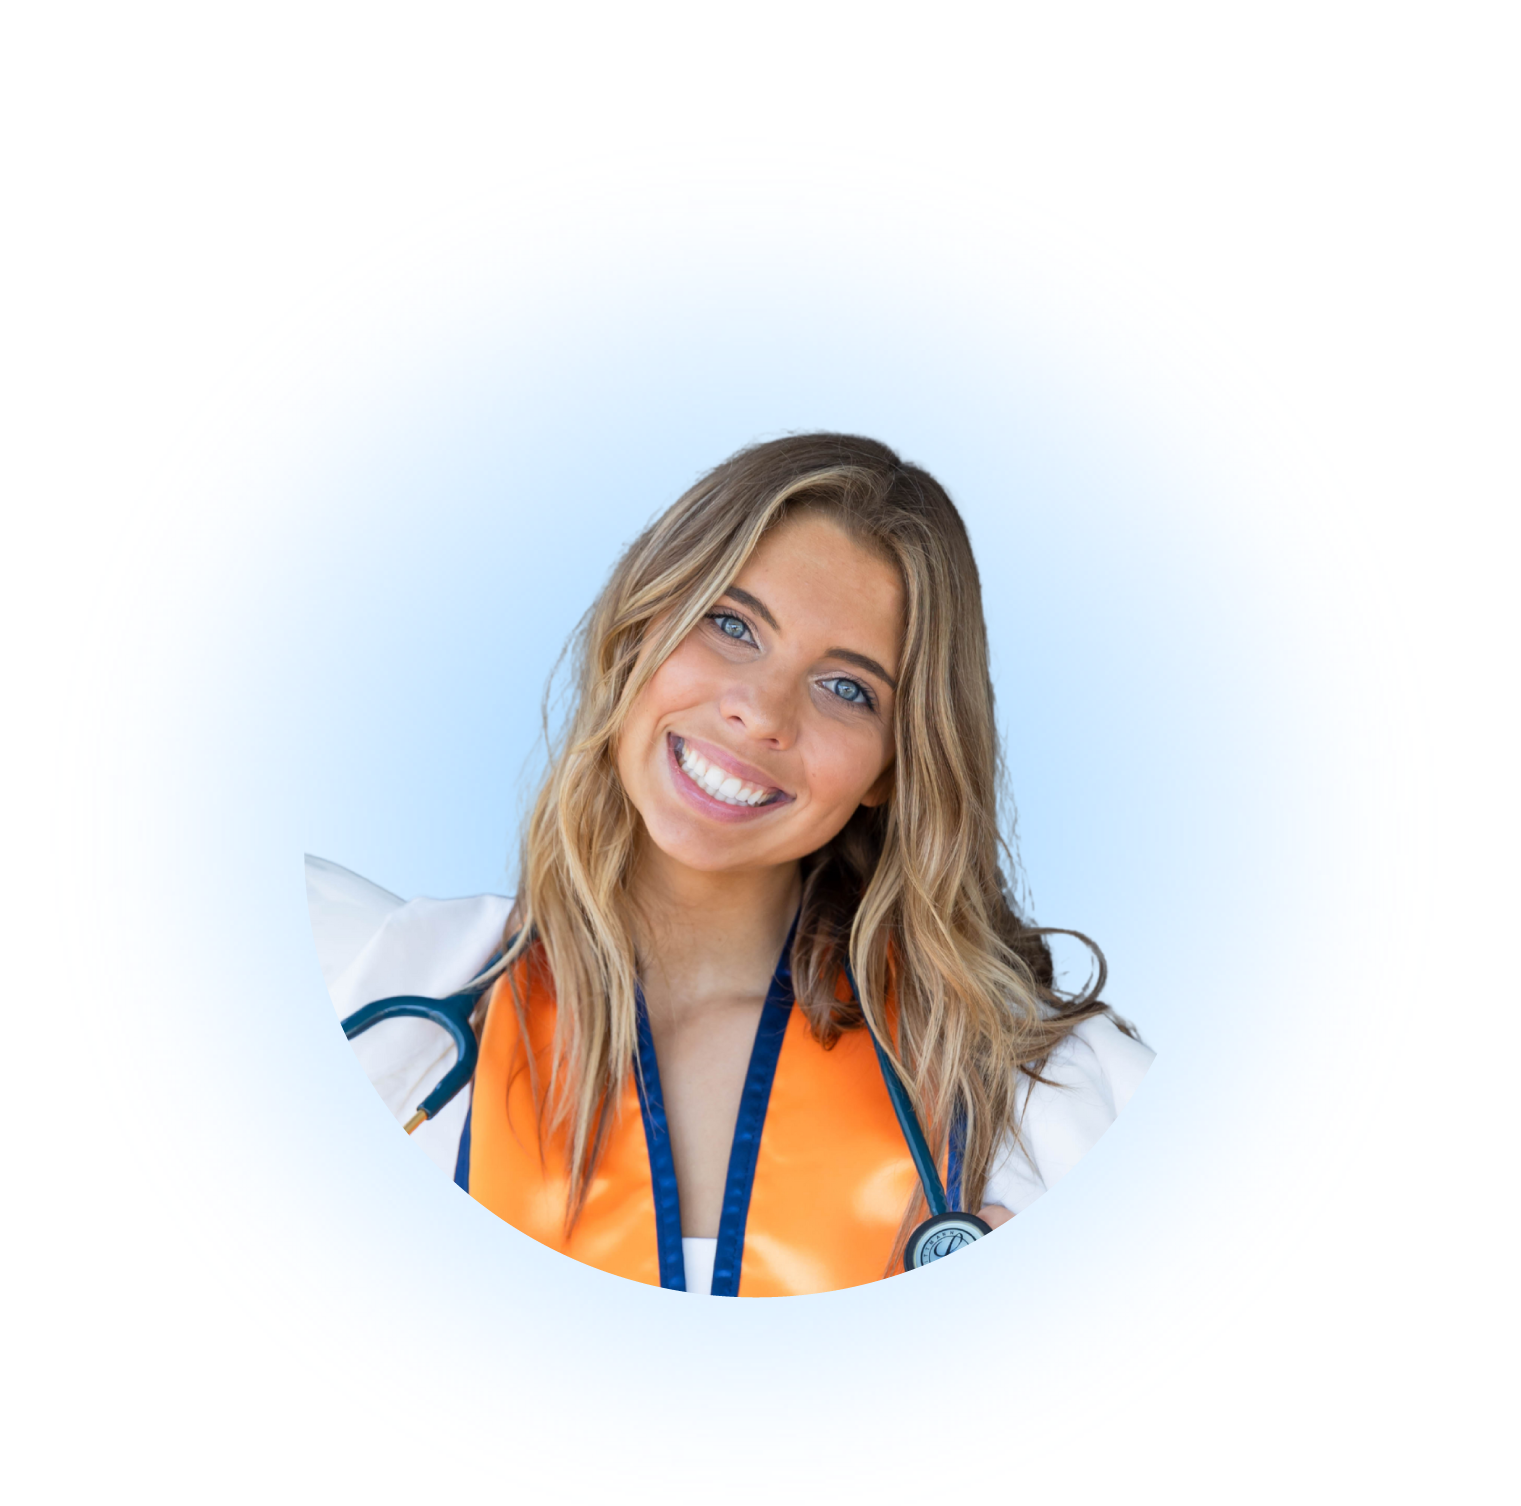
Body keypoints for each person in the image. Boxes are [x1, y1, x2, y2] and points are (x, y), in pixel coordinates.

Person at [307, 432, 1154, 1297]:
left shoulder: (1043, 1101)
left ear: (889, 769)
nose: (761, 711)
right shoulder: (375, 1000)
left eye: (847, 688)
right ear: (642, 626)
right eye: (731, 624)